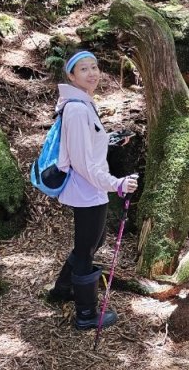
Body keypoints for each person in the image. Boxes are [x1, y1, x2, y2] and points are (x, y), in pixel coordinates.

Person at [46, 49, 138, 330]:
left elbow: (87, 145)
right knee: (87, 249)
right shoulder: (75, 108)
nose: (92, 73)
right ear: (71, 76)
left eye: (95, 67)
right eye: (84, 69)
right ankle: (86, 315)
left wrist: (109, 140)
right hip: (86, 190)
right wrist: (117, 184)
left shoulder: (83, 104)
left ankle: (62, 290)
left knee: (91, 243)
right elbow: (83, 163)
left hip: (91, 189)